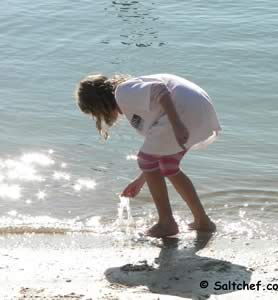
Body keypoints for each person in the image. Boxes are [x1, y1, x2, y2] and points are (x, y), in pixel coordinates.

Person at [75, 73, 222, 238]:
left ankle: (166, 222)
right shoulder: (132, 101)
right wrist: (140, 181)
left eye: (95, 113)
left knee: (145, 159)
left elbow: (160, 90)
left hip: (183, 113)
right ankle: (203, 221)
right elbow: (157, 154)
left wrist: (177, 124)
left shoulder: (123, 91)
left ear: (98, 104)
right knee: (169, 165)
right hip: (198, 111)